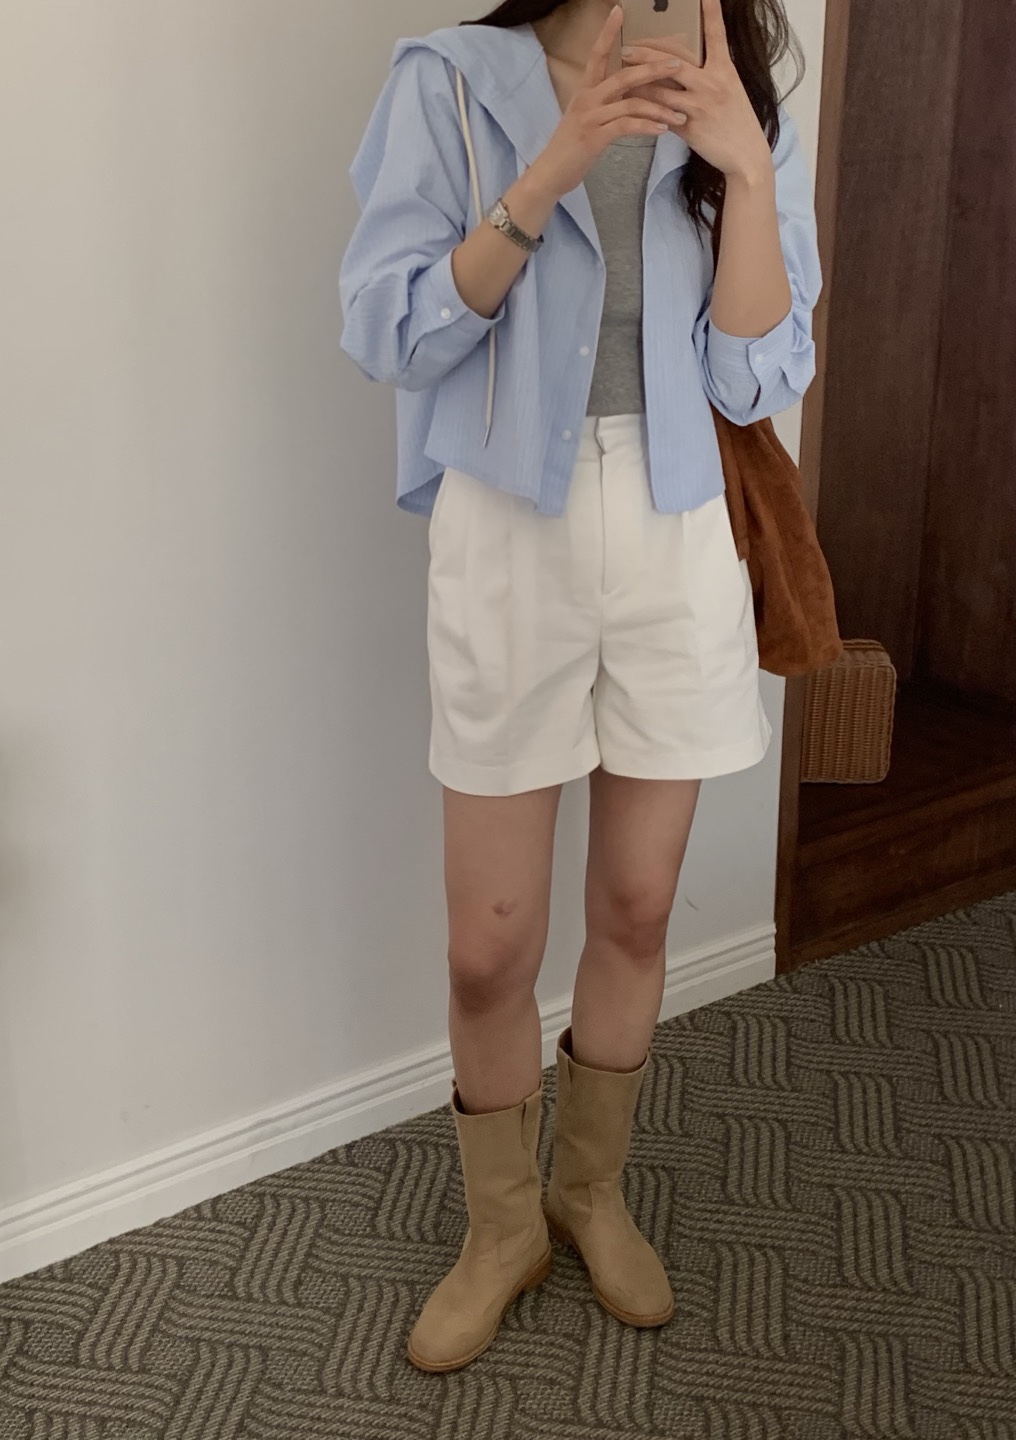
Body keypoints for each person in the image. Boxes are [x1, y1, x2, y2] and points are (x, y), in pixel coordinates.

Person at [339, 0, 821, 1374]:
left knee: (638, 904)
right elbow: (389, 333)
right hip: (509, 533)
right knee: (489, 944)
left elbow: (756, 376)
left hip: (679, 533)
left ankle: (589, 1193)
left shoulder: (733, 88)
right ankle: (501, 1230)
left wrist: (746, 168)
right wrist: (548, 172)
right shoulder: (449, 80)